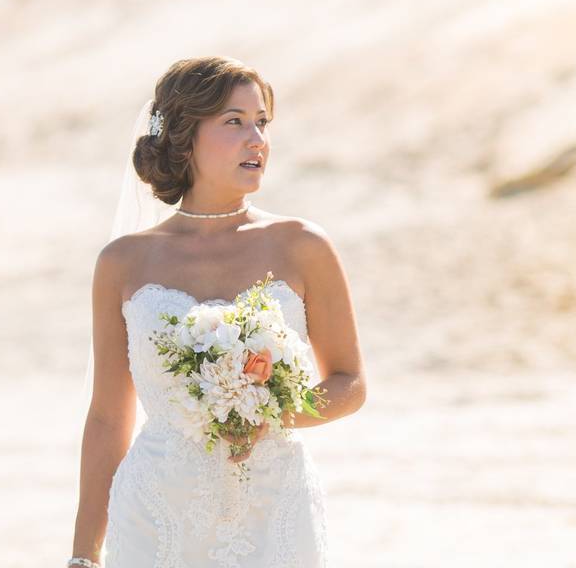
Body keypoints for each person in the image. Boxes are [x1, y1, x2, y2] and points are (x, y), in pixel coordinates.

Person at [69, 56, 367, 567]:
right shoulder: (123, 262)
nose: (257, 139)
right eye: (234, 122)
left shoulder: (302, 245)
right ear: (184, 136)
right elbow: (106, 417)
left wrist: (271, 414)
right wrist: (82, 555)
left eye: (262, 123)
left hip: (274, 508)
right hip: (154, 512)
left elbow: (349, 383)